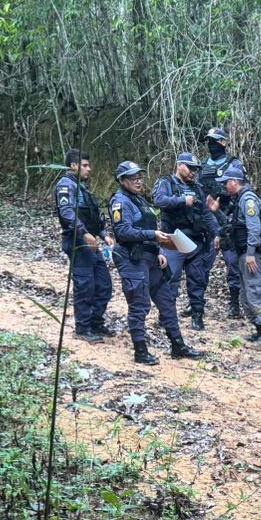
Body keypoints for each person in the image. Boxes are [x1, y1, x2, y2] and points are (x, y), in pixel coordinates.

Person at [108, 161, 177, 366]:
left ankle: (178, 345)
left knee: (166, 299)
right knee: (139, 304)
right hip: (131, 258)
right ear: (122, 180)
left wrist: (159, 250)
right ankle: (140, 350)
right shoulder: (120, 202)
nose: (138, 181)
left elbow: (147, 227)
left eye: (139, 177)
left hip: (150, 257)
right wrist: (153, 236)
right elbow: (123, 232)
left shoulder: (139, 200)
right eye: (133, 178)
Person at [54, 149, 113, 341]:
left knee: (104, 284)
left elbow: (92, 216)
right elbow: (66, 213)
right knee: (85, 286)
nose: (89, 169)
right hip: (77, 242)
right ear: (74, 166)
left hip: (91, 242)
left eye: (88, 165)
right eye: (85, 165)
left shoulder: (83, 188)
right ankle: (83, 328)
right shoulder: (66, 185)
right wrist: (84, 233)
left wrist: (104, 235)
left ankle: (96, 322)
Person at [153, 153, 212, 340]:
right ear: (179, 165)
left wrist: (217, 233)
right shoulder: (166, 183)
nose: (193, 172)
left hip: (196, 240)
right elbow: (159, 200)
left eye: (195, 169)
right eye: (190, 168)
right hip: (174, 240)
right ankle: (166, 316)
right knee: (171, 279)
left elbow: (205, 213)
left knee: (197, 279)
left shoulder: (198, 188)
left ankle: (197, 315)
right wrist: (181, 201)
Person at [222, 162, 261, 343]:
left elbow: (254, 228)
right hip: (244, 253)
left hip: (253, 254)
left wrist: (251, 253)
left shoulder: (248, 199)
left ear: (234, 181)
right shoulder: (239, 200)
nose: (225, 186)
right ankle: (259, 329)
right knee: (246, 293)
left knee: (254, 291)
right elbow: (233, 226)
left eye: (226, 182)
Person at [197, 128, 243, 320]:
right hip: (206, 220)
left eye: (215, 141)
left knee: (232, 264)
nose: (211, 145)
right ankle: (197, 303)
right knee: (200, 264)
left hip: (227, 219)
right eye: (209, 142)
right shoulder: (202, 166)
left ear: (223, 143)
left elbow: (240, 191)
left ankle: (234, 304)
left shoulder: (234, 164)